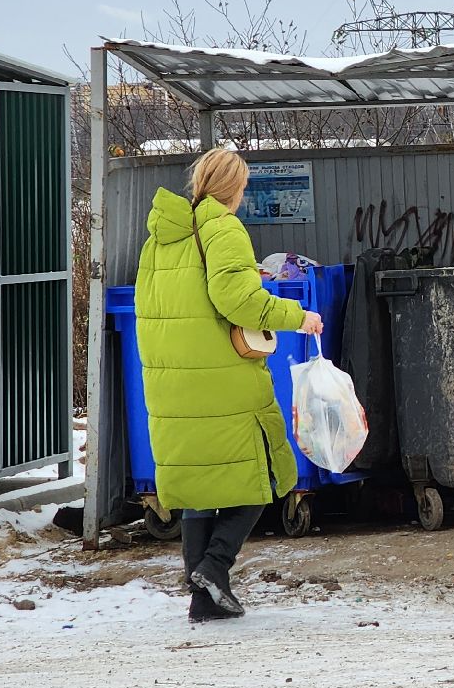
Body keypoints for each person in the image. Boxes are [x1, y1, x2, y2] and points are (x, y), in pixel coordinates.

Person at [135, 148, 323, 622]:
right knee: (263, 479)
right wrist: (298, 317)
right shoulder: (223, 228)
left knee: (201, 489)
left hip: (171, 379)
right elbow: (239, 303)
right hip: (222, 379)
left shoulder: (162, 236)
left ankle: (203, 599)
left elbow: (172, 299)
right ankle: (214, 569)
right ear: (235, 188)